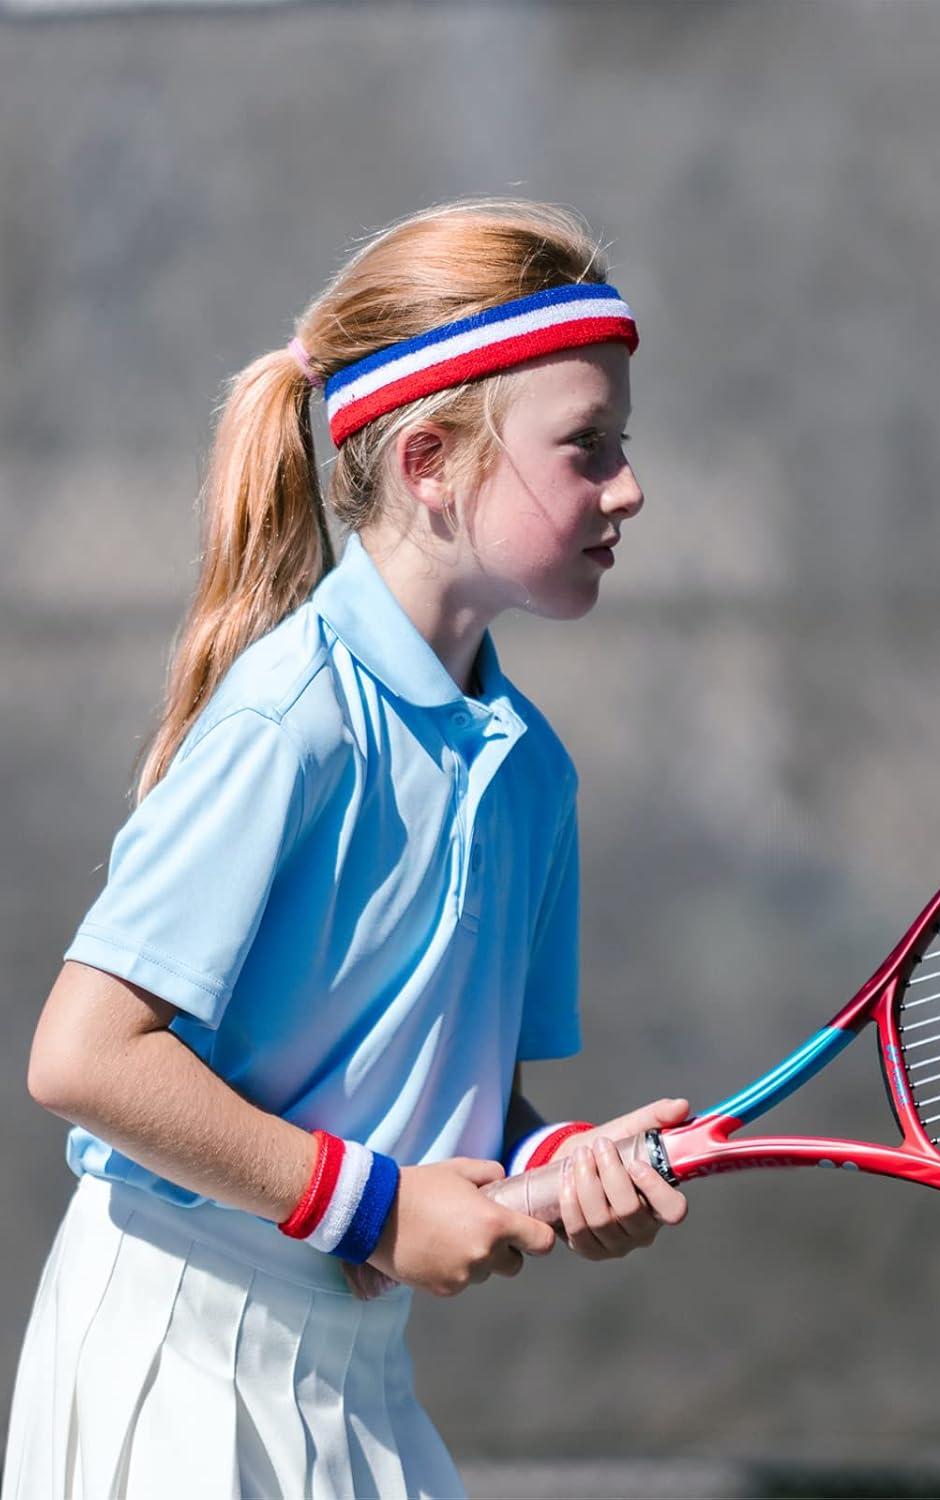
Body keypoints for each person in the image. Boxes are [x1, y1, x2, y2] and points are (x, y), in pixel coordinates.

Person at [5, 199, 690, 1499]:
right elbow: (84, 1056)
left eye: (623, 441)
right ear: (430, 463)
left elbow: (453, 1105)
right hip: (172, 1352)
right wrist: (377, 1211)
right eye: (584, 447)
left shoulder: (532, 772)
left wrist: (554, 1167)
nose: (630, 485)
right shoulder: (288, 721)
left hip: (355, 1369)